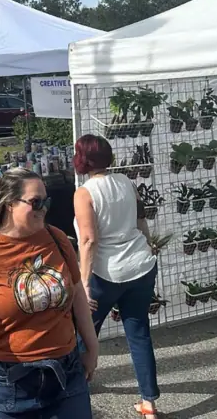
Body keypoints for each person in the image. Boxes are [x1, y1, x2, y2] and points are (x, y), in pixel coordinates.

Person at [0, 168, 99, 418]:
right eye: (35, 202)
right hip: (7, 381)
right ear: (9, 204)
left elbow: (77, 297)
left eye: (46, 201)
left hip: (66, 372)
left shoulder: (57, 238)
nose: (43, 208)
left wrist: (92, 348)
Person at [73, 134, 162, 418]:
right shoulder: (126, 182)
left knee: (83, 334)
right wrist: (148, 246)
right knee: (139, 333)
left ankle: (75, 391)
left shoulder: (84, 193)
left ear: (82, 159)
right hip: (140, 265)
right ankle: (149, 402)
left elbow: (88, 240)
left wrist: (84, 284)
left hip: (105, 272)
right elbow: (140, 219)